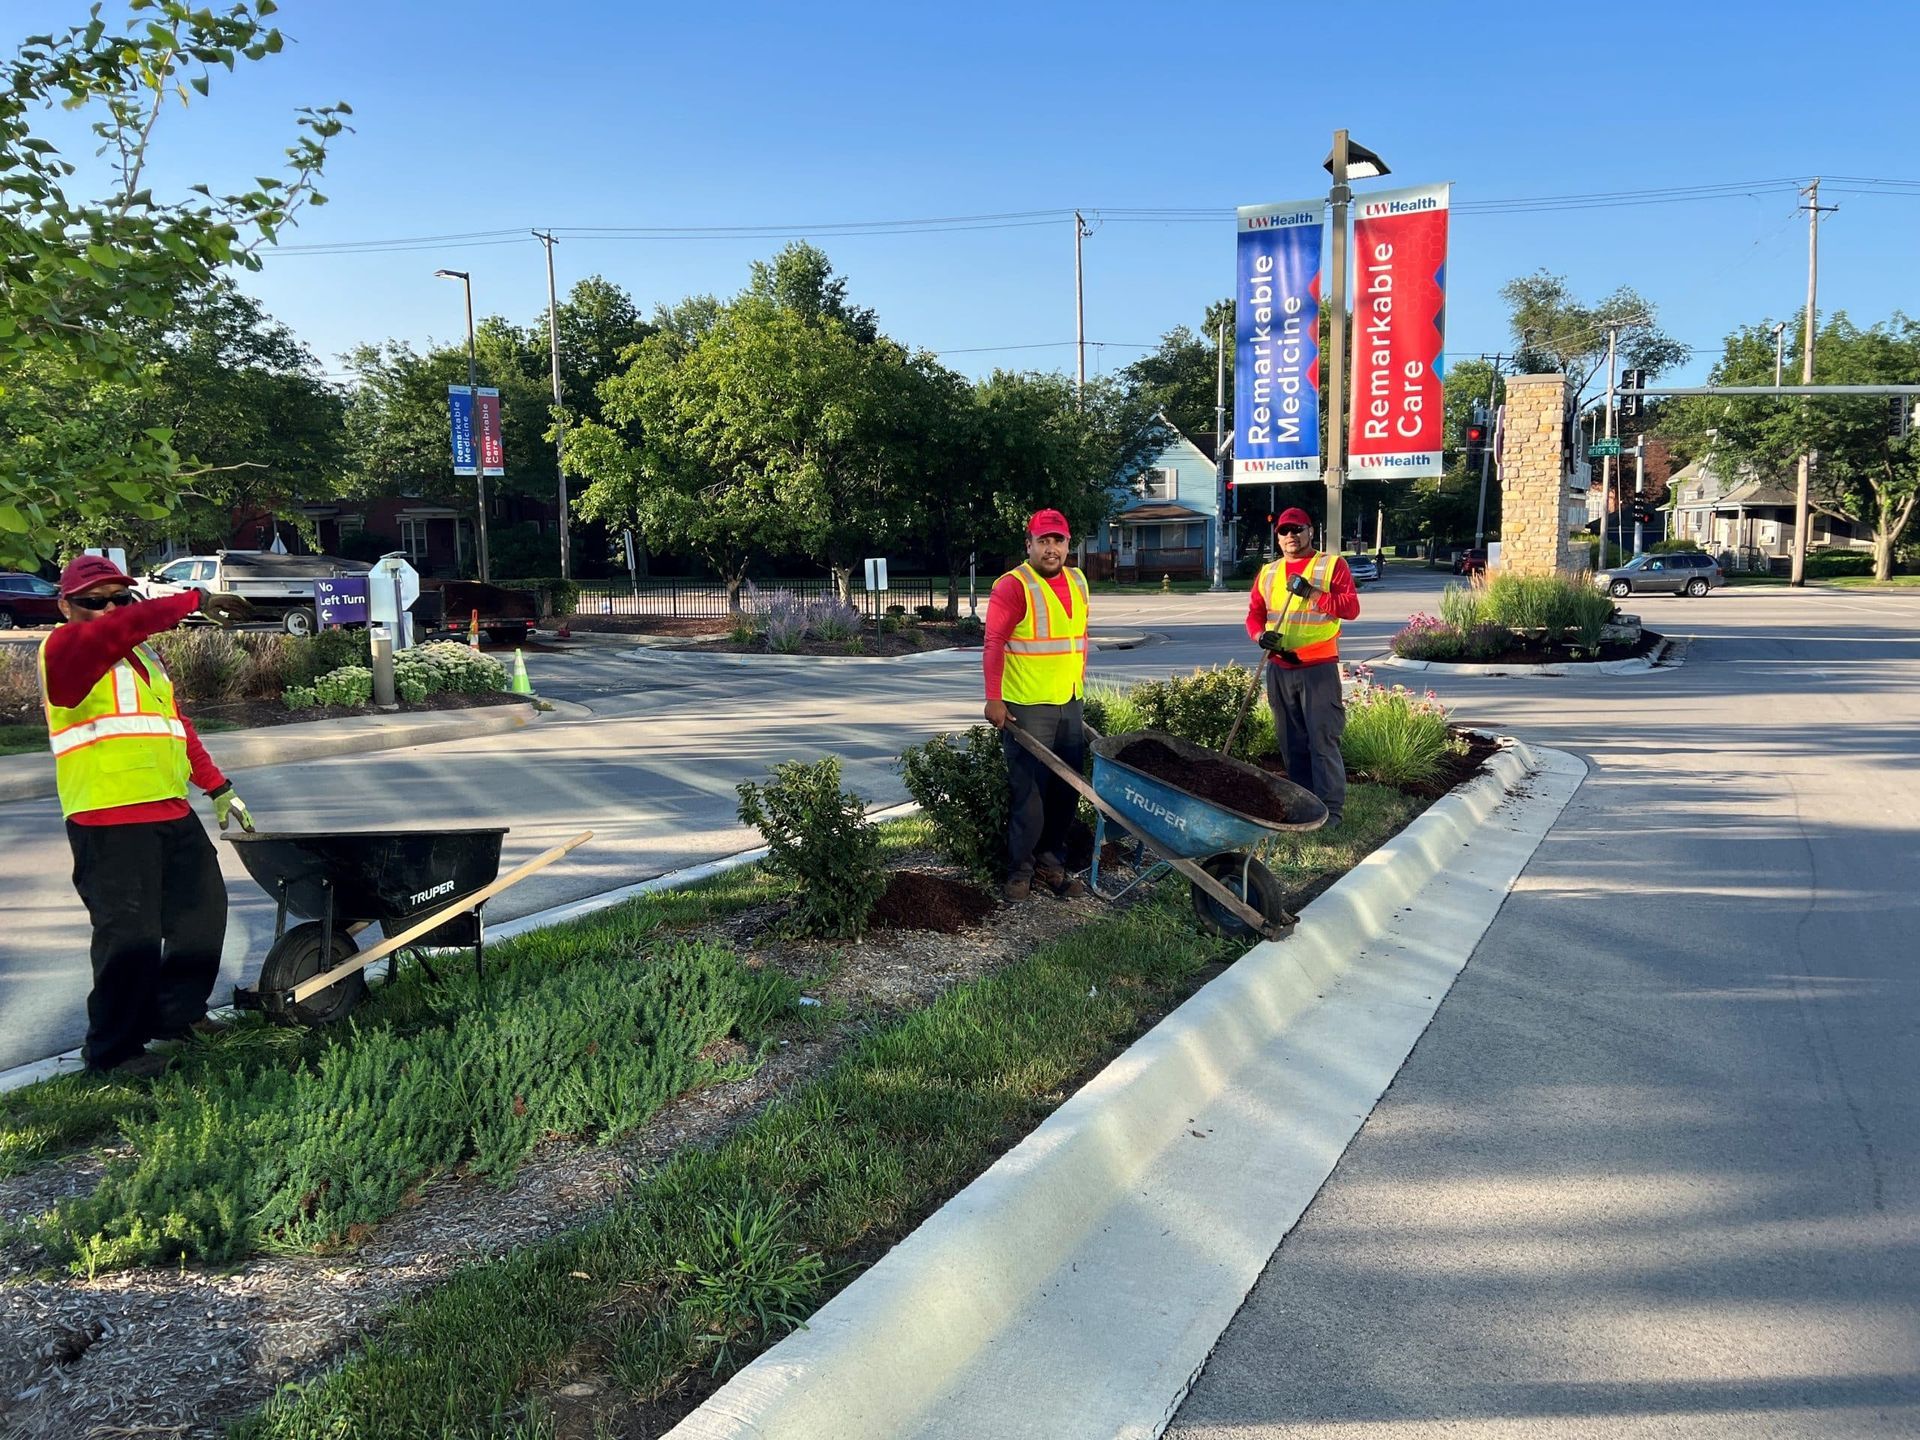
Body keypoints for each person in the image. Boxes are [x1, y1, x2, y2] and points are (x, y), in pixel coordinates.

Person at [38, 555, 255, 1077]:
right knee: (128, 938)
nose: (109, 609)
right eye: (94, 601)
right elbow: (126, 625)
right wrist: (195, 600)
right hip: (107, 817)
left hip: (170, 810)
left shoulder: (144, 657)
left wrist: (217, 785)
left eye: (119, 597)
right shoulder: (64, 648)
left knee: (201, 917)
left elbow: (176, 728)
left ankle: (177, 1016)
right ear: (66, 605)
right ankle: (112, 1052)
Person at [982, 509, 1091, 903]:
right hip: (1026, 708)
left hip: (1069, 701)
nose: (1051, 548)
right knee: (1029, 795)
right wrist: (994, 698)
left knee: (1066, 791)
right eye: (1042, 541)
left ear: (1067, 544)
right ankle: (1020, 871)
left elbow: (1078, 637)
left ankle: (1051, 861)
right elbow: (993, 643)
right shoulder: (1013, 586)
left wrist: (1078, 685)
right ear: (1028, 545)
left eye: (1057, 541)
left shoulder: (1078, 581)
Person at [1246, 507, 1361, 826]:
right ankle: (1304, 806)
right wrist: (1259, 635)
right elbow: (1254, 613)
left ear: (1311, 531)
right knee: (1291, 742)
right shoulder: (1268, 573)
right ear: (1278, 536)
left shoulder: (1331, 566)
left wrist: (1311, 592)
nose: (1290, 536)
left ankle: (1331, 810)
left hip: (1318, 668)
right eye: (1284, 531)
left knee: (1322, 739)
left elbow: (1350, 608)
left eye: (1297, 529)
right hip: (1280, 667)